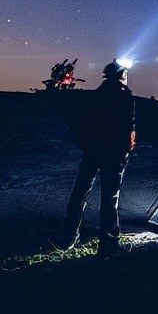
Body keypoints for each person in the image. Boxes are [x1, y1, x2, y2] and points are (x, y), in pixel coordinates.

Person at [59, 60, 136, 255]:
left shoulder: (94, 96)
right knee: (109, 198)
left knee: (80, 193)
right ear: (120, 75)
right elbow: (127, 128)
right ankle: (108, 244)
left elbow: (77, 123)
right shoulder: (125, 97)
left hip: (92, 152)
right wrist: (124, 152)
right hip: (112, 154)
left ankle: (68, 238)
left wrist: (86, 145)